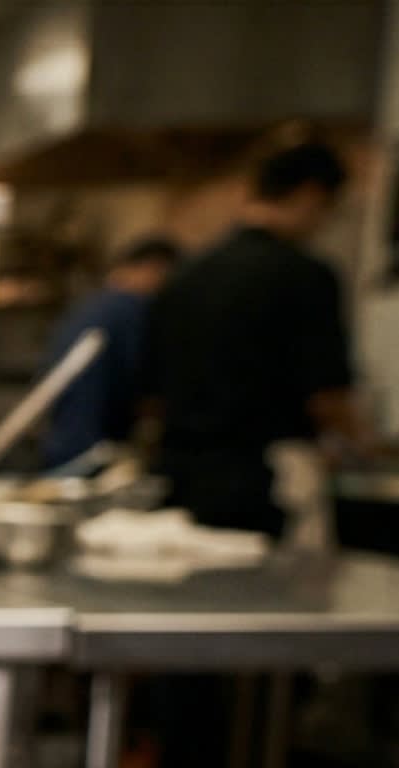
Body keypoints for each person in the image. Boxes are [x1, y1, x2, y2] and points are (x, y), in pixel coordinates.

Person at [144, 142, 368, 536]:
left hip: (178, 477)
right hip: (264, 484)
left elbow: (151, 395)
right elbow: (326, 396)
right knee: (274, 595)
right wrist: (365, 443)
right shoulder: (306, 276)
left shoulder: (185, 276)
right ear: (311, 195)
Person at [37, 235, 179, 471]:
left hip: (65, 436)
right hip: (94, 441)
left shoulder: (93, 305)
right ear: (153, 268)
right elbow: (141, 379)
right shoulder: (127, 308)